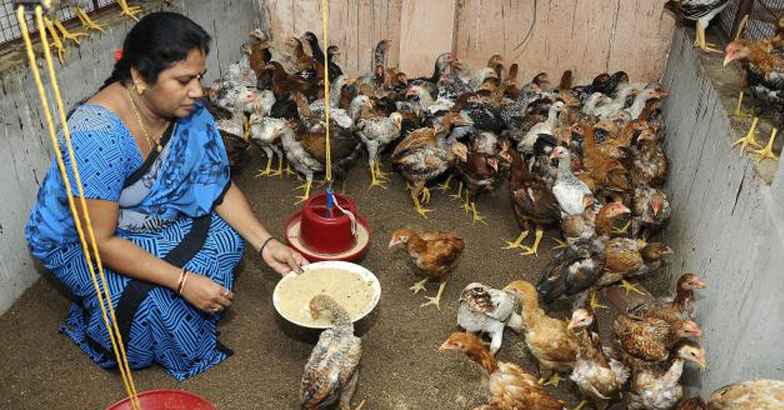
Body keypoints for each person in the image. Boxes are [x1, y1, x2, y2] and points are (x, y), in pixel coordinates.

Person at [24, 12, 308, 380]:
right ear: (141, 77)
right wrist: (183, 281)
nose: (199, 91)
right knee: (150, 305)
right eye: (184, 80)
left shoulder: (186, 111)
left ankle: (174, 296)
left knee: (229, 241)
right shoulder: (96, 134)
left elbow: (216, 186)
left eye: (200, 77)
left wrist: (267, 243)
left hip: (146, 216)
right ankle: (102, 315)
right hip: (83, 240)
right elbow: (100, 242)